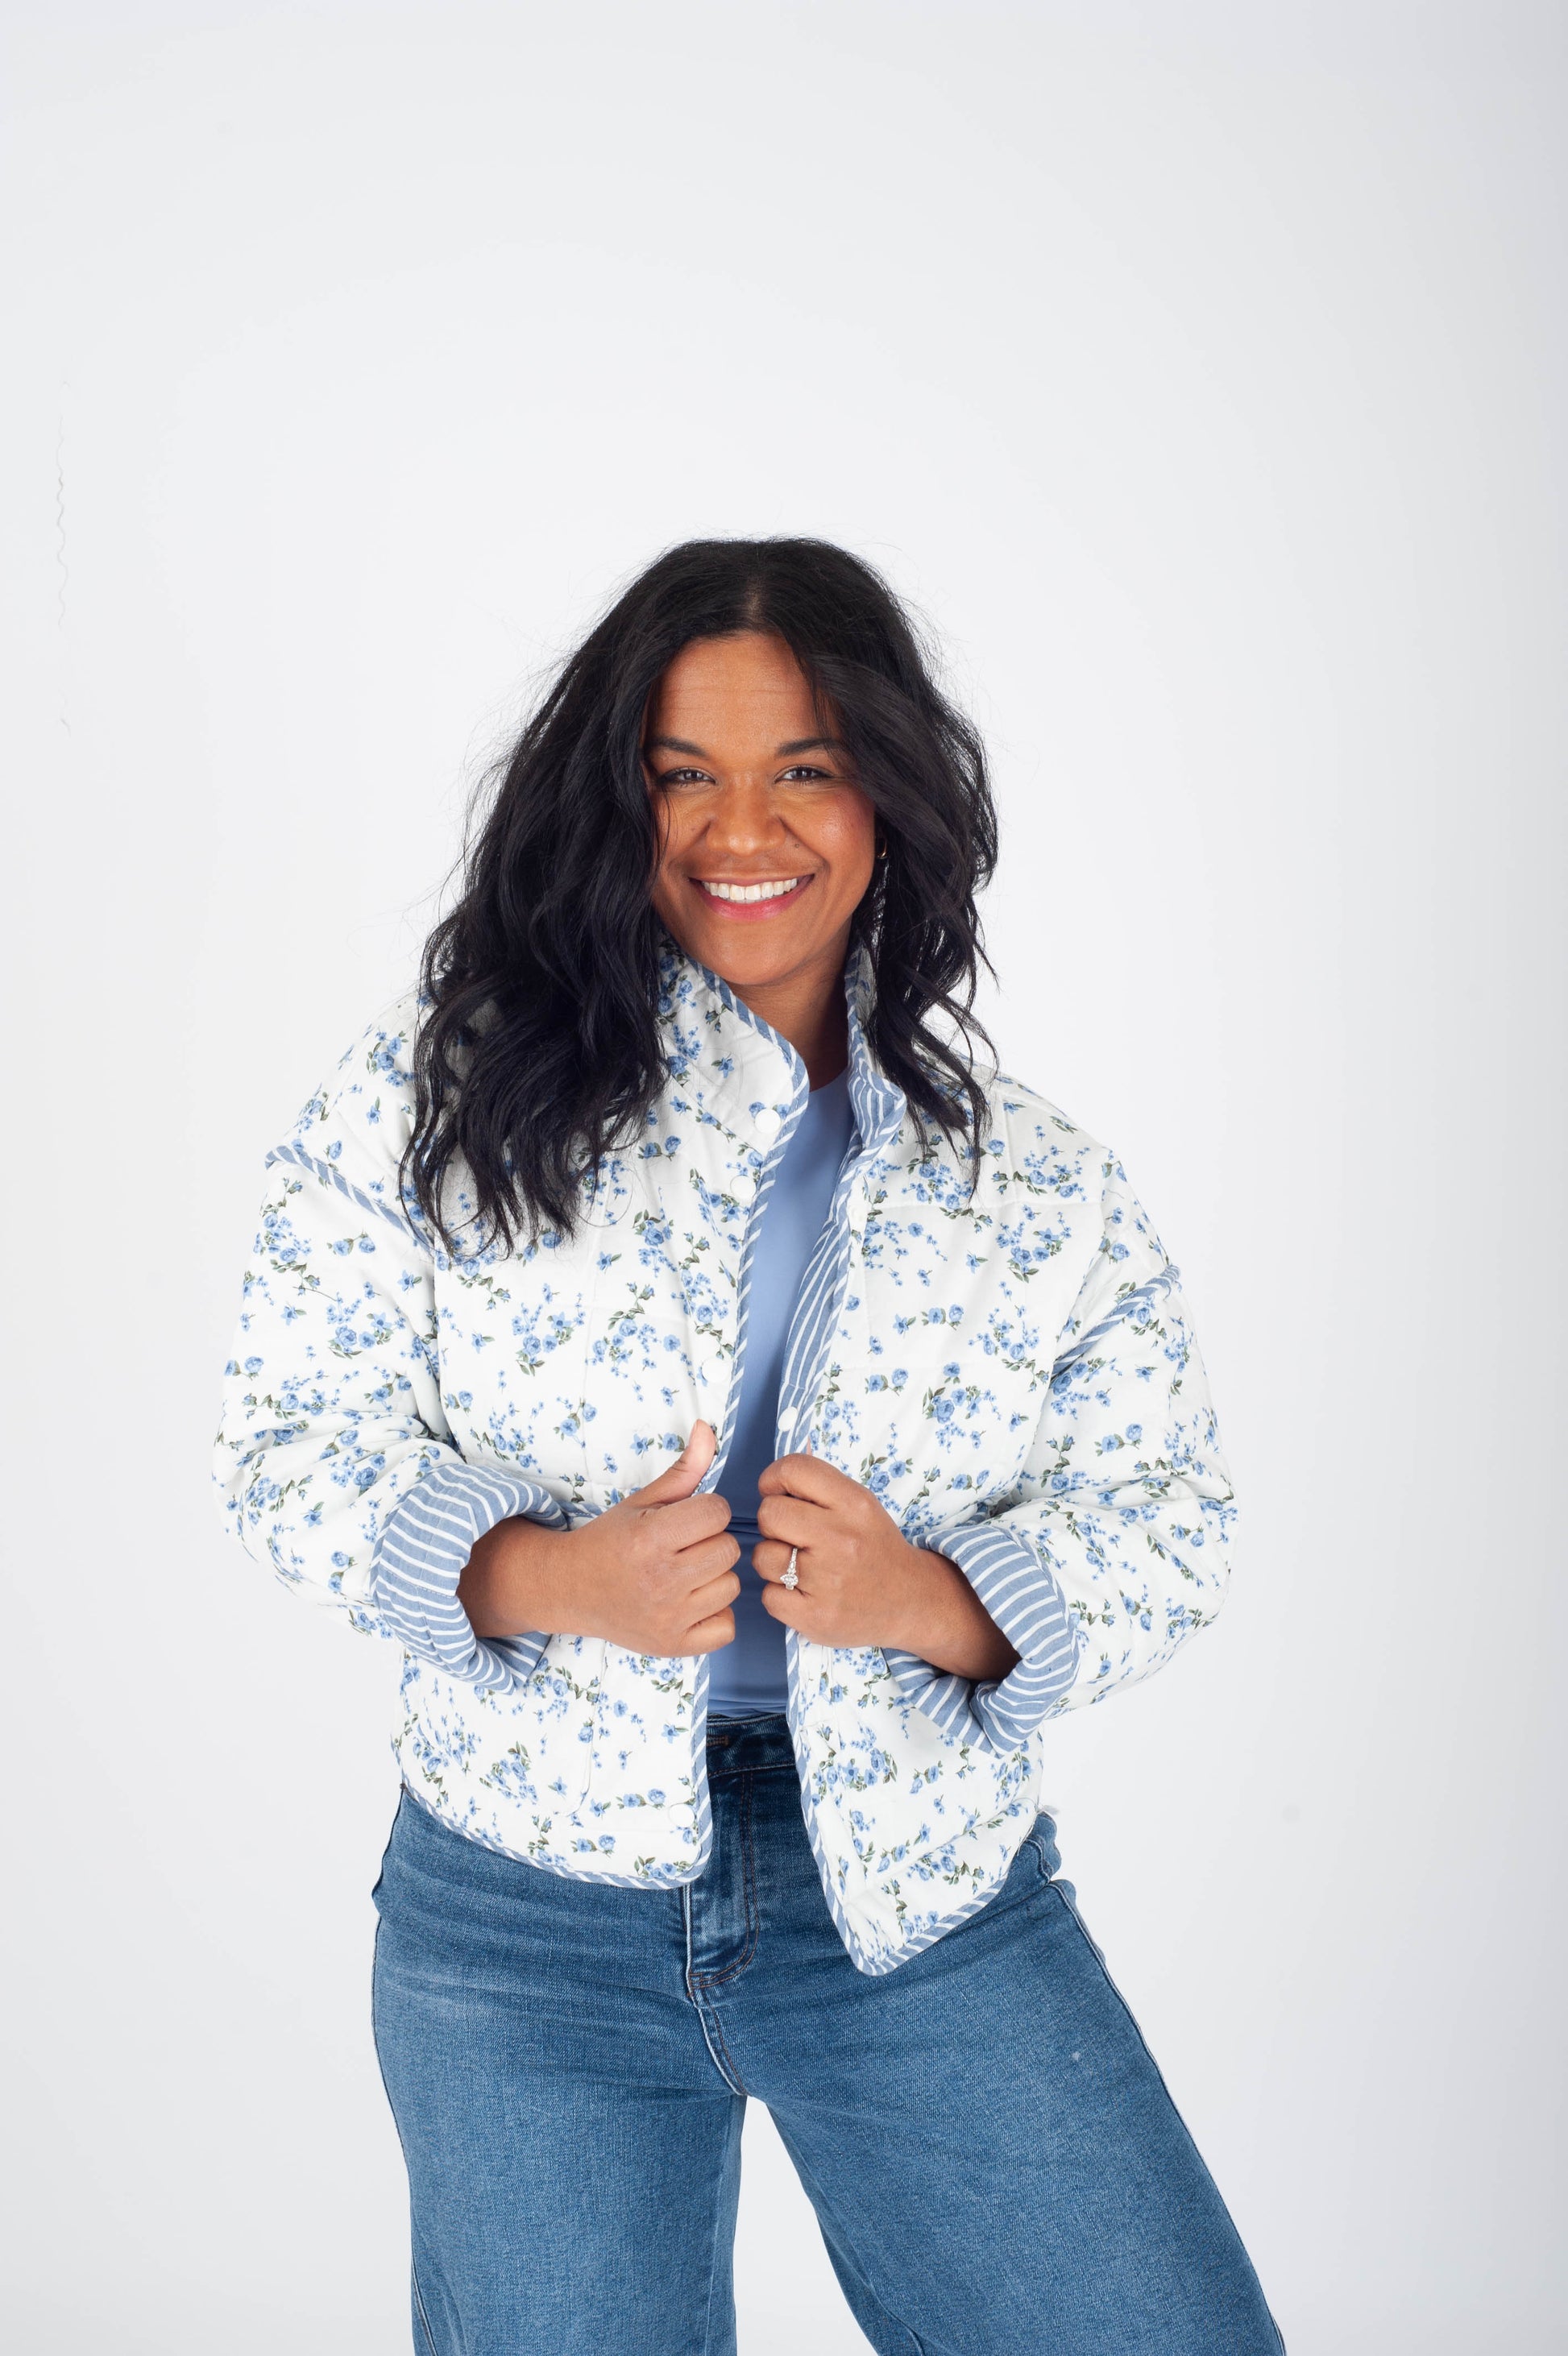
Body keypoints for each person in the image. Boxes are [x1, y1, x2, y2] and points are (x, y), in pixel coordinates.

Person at [214, 537, 1284, 2355]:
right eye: (682, 774)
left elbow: (1170, 1514)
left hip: (919, 1909)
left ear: (888, 798)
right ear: (611, 800)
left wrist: (927, 1599)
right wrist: (553, 1576)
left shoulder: (1028, 1181)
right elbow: (282, 1440)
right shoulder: (443, 1097)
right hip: (523, 1921)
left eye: (804, 768)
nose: (742, 828)